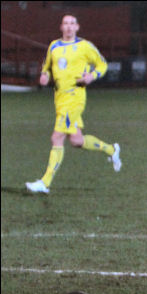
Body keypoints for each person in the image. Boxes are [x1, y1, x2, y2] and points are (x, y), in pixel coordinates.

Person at [25, 14, 121, 194]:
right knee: (77, 141)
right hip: (60, 98)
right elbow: (46, 66)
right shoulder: (54, 46)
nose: (69, 27)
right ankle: (111, 150)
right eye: (65, 23)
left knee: (57, 138)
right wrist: (44, 76)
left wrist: (91, 76)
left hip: (75, 97)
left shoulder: (85, 46)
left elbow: (102, 65)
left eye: (72, 24)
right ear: (61, 27)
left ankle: (44, 183)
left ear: (77, 27)